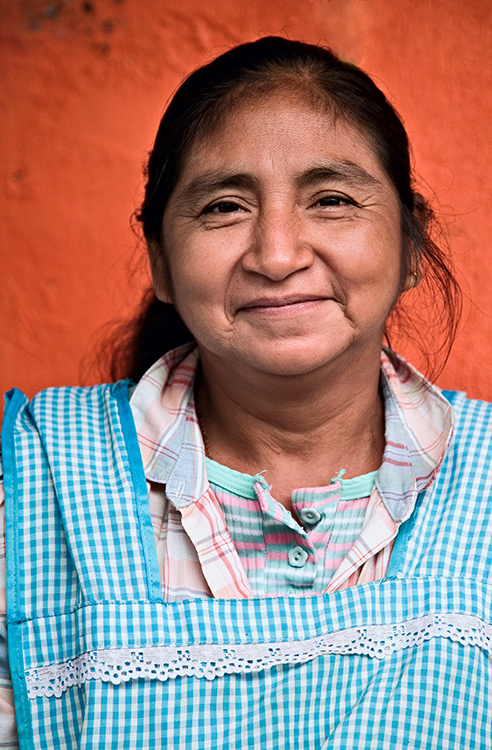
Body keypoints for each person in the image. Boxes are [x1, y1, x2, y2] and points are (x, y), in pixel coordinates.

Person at [0, 36, 490, 750]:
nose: (278, 254)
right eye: (225, 207)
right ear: (161, 262)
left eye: (331, 199)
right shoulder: (38, 490)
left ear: (413, 244)